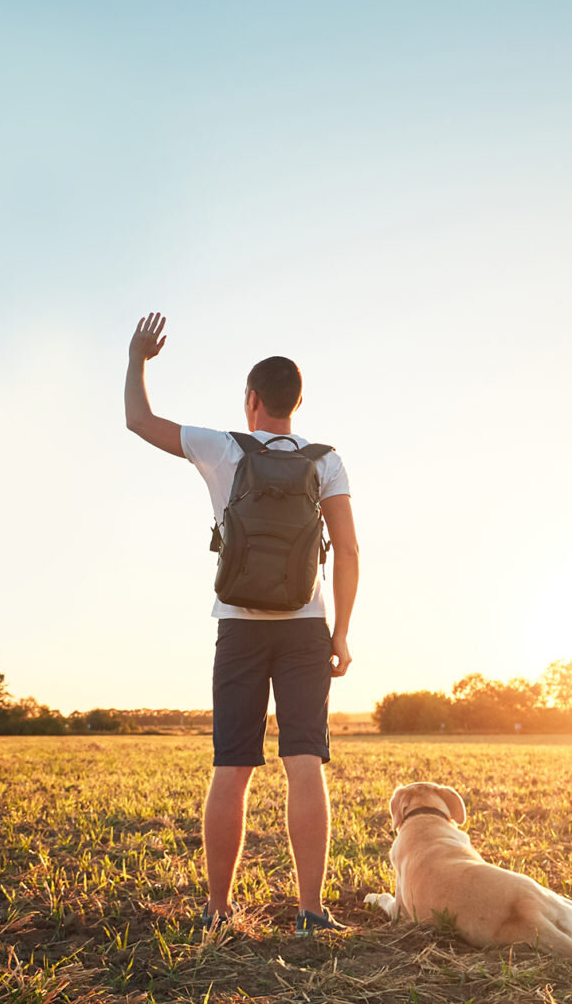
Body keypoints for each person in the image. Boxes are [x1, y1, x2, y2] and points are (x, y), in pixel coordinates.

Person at [124, 311, 360, 935]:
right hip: (307, 626)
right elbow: (350, 551)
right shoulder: (327, 461)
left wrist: (137, 361)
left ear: (251, 401)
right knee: (304, 762)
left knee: (232, 767)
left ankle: (218, 910)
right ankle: (311, 911)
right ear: (298, 403)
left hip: (239, 626)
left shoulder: (223, 447)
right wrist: (339, 633)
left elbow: (139, 421)